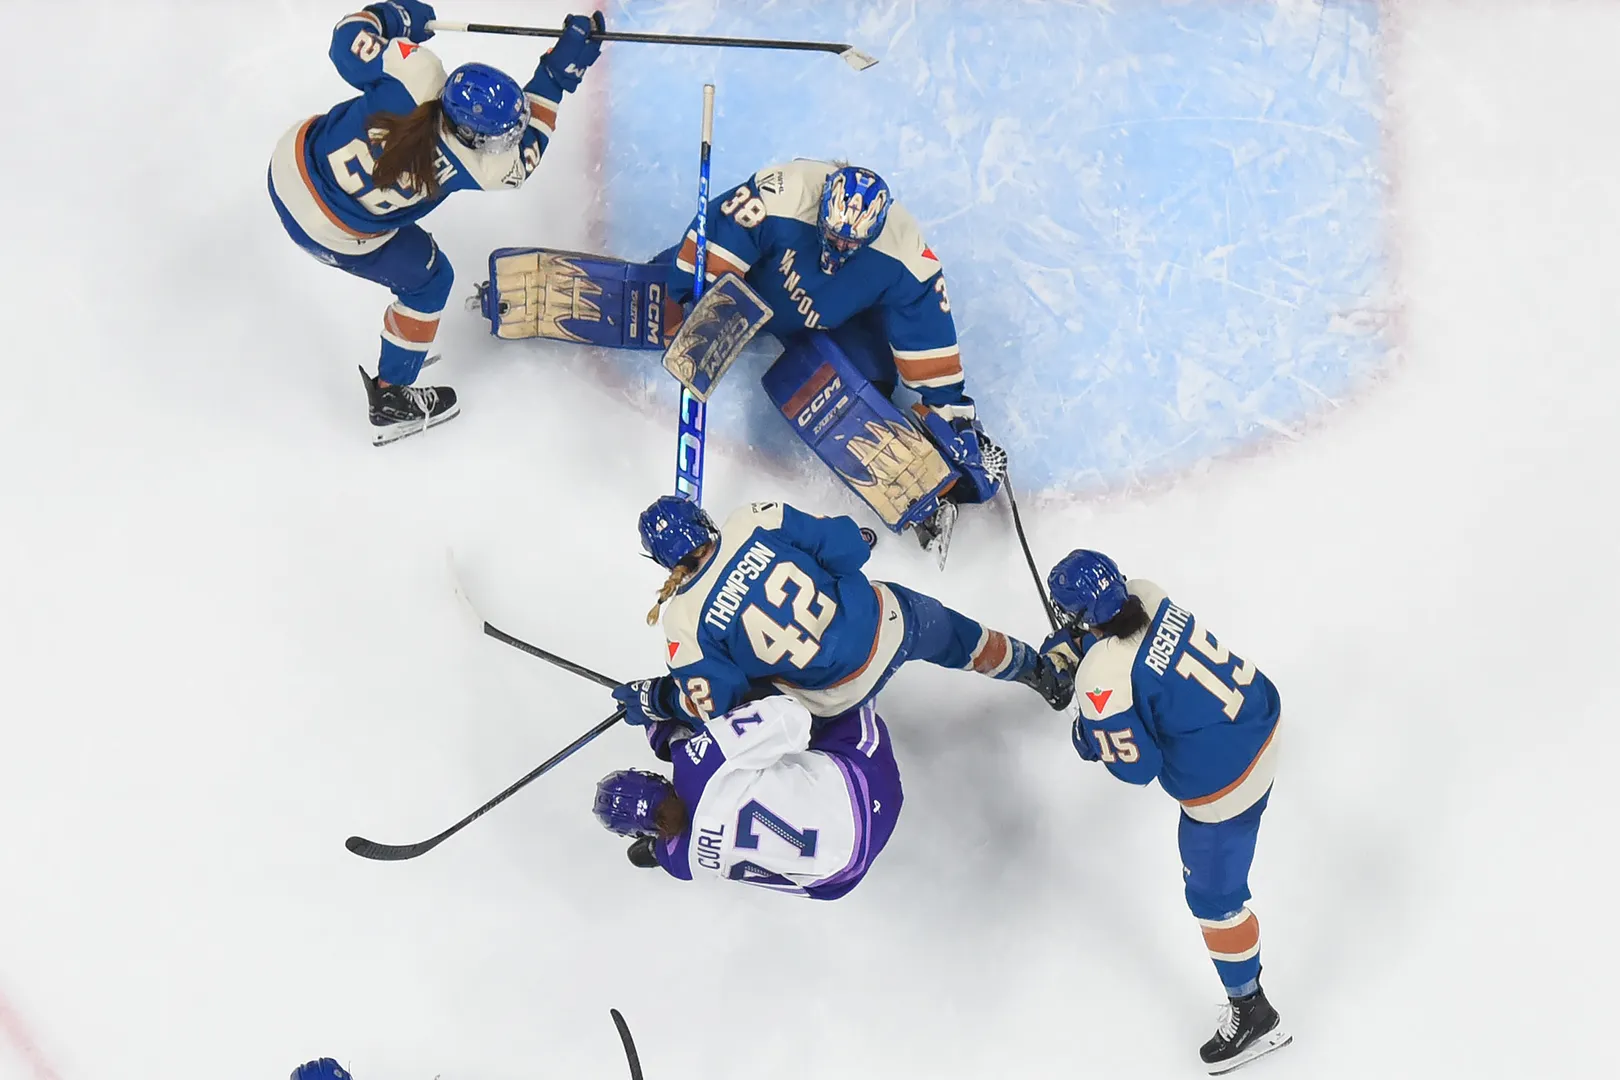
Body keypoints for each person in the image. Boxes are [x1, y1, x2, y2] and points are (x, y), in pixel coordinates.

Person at [268, 2, 604, 443]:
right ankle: (390, 394)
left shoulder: (415, 73)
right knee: (430, 280)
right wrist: (557, 74)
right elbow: (531, 143)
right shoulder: (489, 167)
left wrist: (396, 18)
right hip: (331, 234)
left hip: (289, 167)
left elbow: (346, 40)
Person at [661, 161, 1005, 552]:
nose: (839, 247)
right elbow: (728, 228)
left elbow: (927, 323)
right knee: (687, 295)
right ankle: (672, 292)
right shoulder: (786, 192)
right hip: (753, 289)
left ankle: (924, 499)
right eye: (834, 235)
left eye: (851, 243)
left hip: (832, 323)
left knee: (867, 393)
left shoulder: (904, 249)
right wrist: (698, 293)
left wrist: (949, 408)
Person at [1038, 550, 1290, 1075]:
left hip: (1229, 784)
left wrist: (1090, 732)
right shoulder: (1148, 592)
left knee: (1213, 901)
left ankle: (1254, 1012)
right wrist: (1086, 653)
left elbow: (1138, 768)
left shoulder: (1101, 677)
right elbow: (1134, 653)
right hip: (1259, 713)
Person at [613, 496, 1072, 731]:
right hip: (888, 627)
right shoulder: (751, 519)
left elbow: (721, 706)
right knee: (956, 635)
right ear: (702, 521)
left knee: (755, 690)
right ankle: (1038, 672)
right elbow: (848, 548)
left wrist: (663, 699)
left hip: (830, 700)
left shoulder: (681, 621)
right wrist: (857, 539)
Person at [594, 695, 902, 899]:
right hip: (871, 787)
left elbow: (666, 837)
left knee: (810, 879)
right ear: (654, 779)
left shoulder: (679, 863)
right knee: (838, 694)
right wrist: (665, 712)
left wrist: (674, 737)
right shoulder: (699, 766)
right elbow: (792, 715)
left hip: (845, 874)